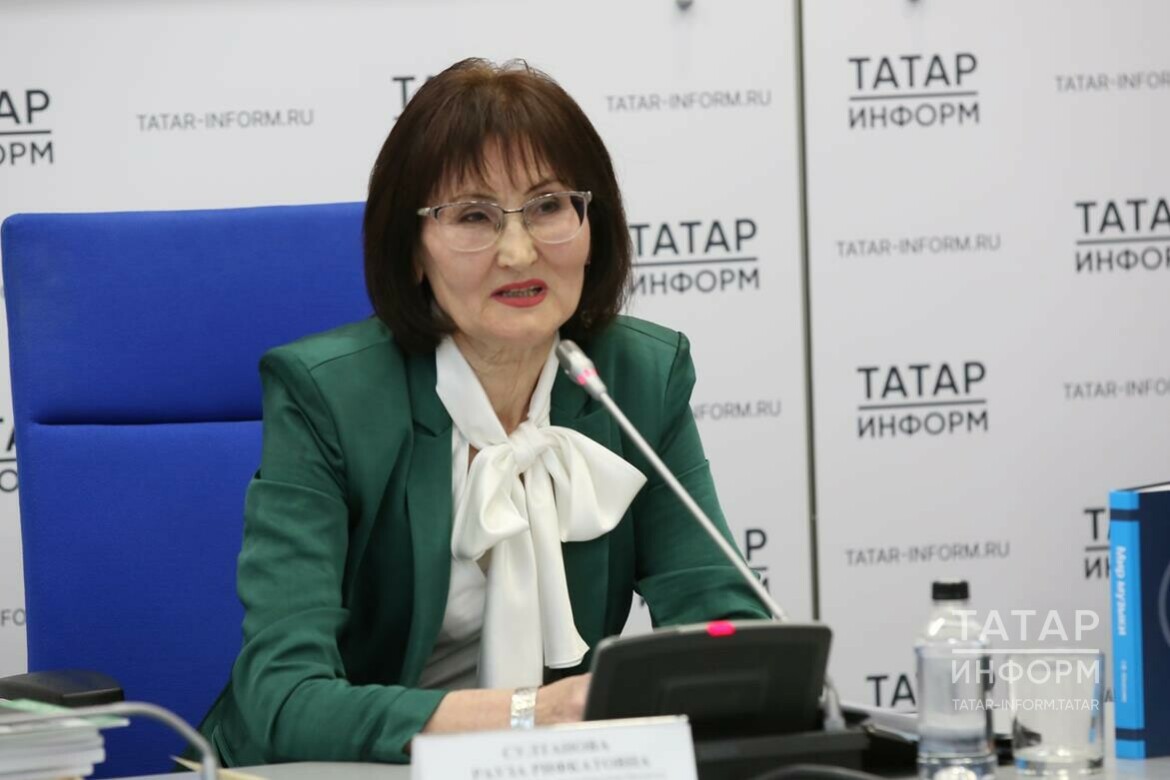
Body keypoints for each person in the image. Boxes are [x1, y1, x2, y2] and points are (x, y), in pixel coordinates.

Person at [197, 57, 769, 766]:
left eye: (549, 206)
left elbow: (723, 625)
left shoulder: (636, 380)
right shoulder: (328, 398)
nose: (519, 252)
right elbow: (284, 699)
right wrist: (532, 715)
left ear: (592, 225)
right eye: (474, 216)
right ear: (413, 251)